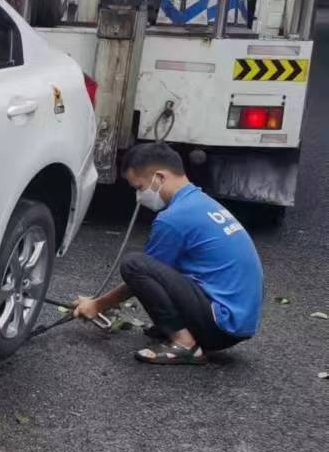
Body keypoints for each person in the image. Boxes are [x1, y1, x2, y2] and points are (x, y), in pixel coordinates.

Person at [73, 142, 263, 364]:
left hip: (221, 324)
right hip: (237, 321)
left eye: (139, 187)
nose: (138, 196)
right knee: (156, 267)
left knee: (134, 264)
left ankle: (185, 344)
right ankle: (183, 329)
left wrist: (97, 305)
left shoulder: (174, 218)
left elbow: (141, 276)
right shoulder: (201, 202)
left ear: (159, 177)